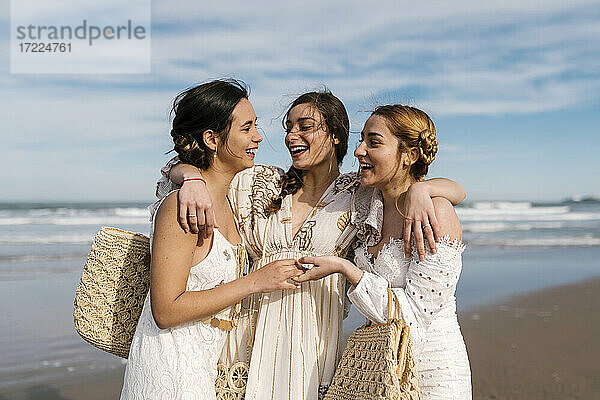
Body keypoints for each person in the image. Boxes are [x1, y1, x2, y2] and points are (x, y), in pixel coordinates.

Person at [156, 91, 466, 400]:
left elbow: (431, 187)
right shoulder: (260, 183)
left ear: (335, 135)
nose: (292, 136)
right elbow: (197, 167)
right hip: (246, 336)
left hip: (314, 342)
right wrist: (191, 178)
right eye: (288, 127)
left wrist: (422, 190)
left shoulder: (358, 194)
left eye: (305, 126)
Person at [120, 80, 304, 400]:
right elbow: (165, 310)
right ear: (211, 139)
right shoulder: (183, 207)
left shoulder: (227, 201)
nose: (258, 137)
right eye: (247, 128)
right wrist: (256, 282)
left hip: (201, 367)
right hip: (168, 370)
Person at [295, 105, 472, 399]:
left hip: (431, 372)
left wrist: (348, 270)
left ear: (409, 156)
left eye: (374, 142)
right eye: (360, 140)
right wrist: (191, 173)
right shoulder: (365, 199)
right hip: (376, 368)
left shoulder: (435, 213)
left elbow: (413, 318)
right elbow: (311, 182)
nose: (359, 150)